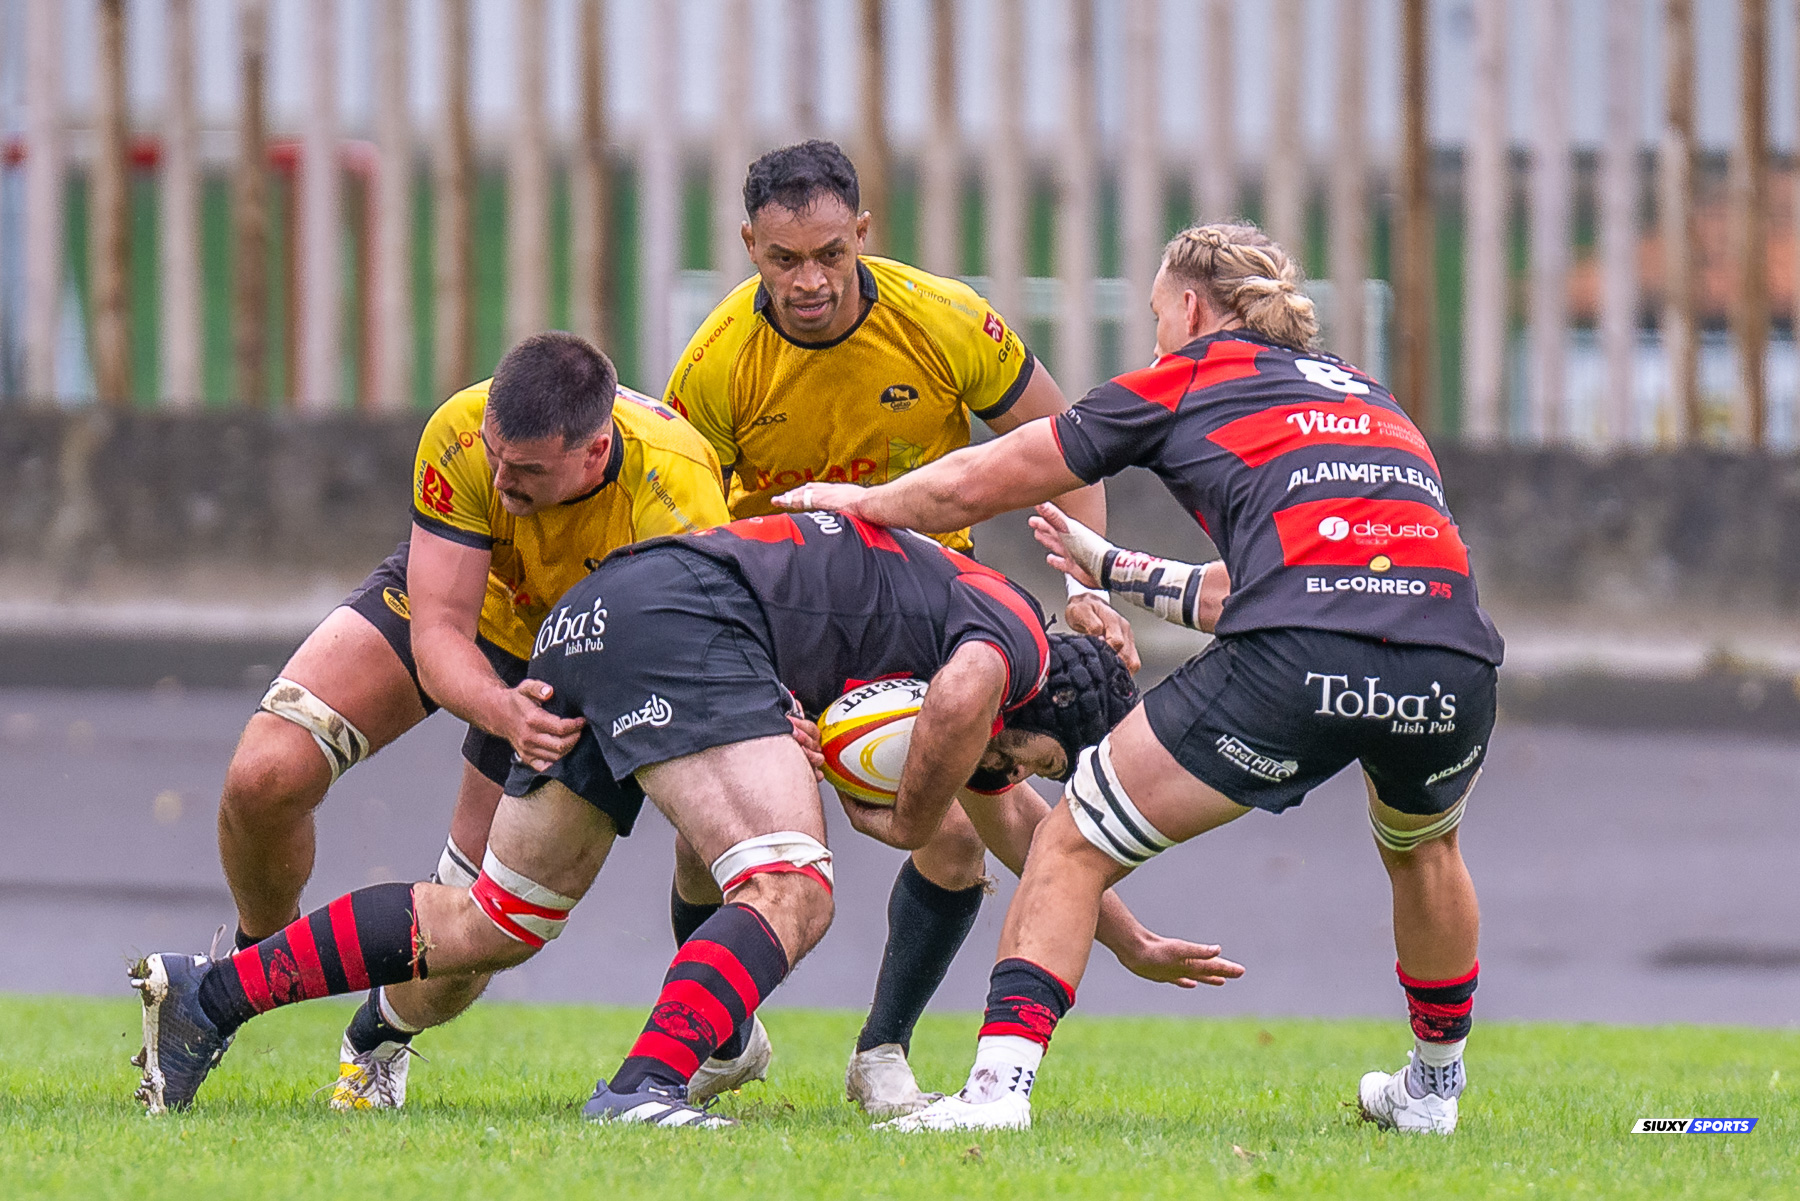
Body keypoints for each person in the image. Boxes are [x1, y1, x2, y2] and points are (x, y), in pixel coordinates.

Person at [131, 512, 1240, 1122]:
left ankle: (207, 995)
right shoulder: (1015, 651)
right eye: (1028, 756)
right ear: (1046, 717)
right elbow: (962, 710)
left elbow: (1030, 831)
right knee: (793, 884)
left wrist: (1127, 939)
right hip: (689, 621)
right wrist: (902, 821)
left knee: (488, 921)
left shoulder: (980, 641)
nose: (1002, 768)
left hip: (603, 616)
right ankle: (646, 1086)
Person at [775, 223, 1504, 1135]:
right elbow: (1280, 581)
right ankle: (1433, 1090)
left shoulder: (1189, 375)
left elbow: (981, 481)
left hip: (1299, 659)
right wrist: (1111, 567)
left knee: (1073, 839)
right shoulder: (1369, 396)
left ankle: (996, 1093)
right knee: (1425, 851)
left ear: (1190, 308)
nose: (1156, 336)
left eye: (1157, 314)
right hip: (1451, 659)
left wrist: (861, 501)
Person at [662, 139, 1140, 1114]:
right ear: (749, 246)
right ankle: (725, 1034)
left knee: (959, 836)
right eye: (784, 259)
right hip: (780, 624)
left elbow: (1068, 449)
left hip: (921, 624)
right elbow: (682, 528)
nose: (810, 281)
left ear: (863, 234)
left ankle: (881, 1050)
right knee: (710, 842)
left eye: (830, 254)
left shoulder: (946, 321)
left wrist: (1089, 580)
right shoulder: (715, 364)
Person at [211, 331, 731, 1110]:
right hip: (469, 604)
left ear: (595, 452)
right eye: (497, 457)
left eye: (527, 471)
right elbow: (438, 635)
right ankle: (247, 968)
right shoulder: (462, 431)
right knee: (264, 773)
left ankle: (376, 1036)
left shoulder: (678, 496)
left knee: (475, 933)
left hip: (580, 654)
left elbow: (693, 662)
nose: (501, 478)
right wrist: (500, 708)